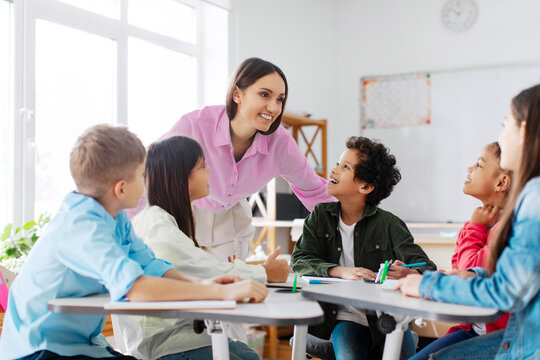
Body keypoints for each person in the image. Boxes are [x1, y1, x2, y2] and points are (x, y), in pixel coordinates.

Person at [0, 125, 267, 360]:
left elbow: (150, 265)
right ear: (121, 188)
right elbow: (135, 288)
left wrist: (204, 284)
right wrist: (218, 293)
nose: (147, 182)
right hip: (40, 350)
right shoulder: (81, 225)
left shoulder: (115, 219)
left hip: (79, 344)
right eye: (142, 175)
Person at [128, 57, 335, 262]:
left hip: (231, 220)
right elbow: (148, 175)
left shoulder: (280, 143)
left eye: (280, 99)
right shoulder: (194, 126)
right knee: (182, 279)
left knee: (230, 283)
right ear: (237, 93)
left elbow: (314, 190)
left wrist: (354, 222)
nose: (273, 108)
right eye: (264, 95)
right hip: (185, 211)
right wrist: (125, 231)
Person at [113, 135, 289, 359]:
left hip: (183, 337)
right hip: (166, 346)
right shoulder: (157, 226)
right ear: (181, 176)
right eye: (202, 166)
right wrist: (265, 272)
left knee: (248, 355)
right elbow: (205, 269)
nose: (209, 172)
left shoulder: (165, 220)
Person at [397, 84, 540, 360]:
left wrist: (426, 285)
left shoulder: (533, 199)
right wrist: (473, 275)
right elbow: (520, 279)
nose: (501, 134)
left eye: (504, 124)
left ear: (523, 131)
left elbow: (506, 293)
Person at [291, 136, 437, 360]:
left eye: (345, 167)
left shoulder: (389, 223)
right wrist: (339, 271)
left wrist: (408, 272)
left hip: (387, 318)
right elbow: (300, 260)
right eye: (338, 163)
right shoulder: (320, 216)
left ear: (365, 186)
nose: (334, 170)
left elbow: (427, 268)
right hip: (343, 319)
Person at [410, 142, 511, 360]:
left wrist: (475, 227)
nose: (469, 169)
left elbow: (468, 272)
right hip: (473, 329)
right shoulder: (489, 224)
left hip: (500, 338)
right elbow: (459, 264)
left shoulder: (506, 229)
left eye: (479, 164)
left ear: (501, 182)